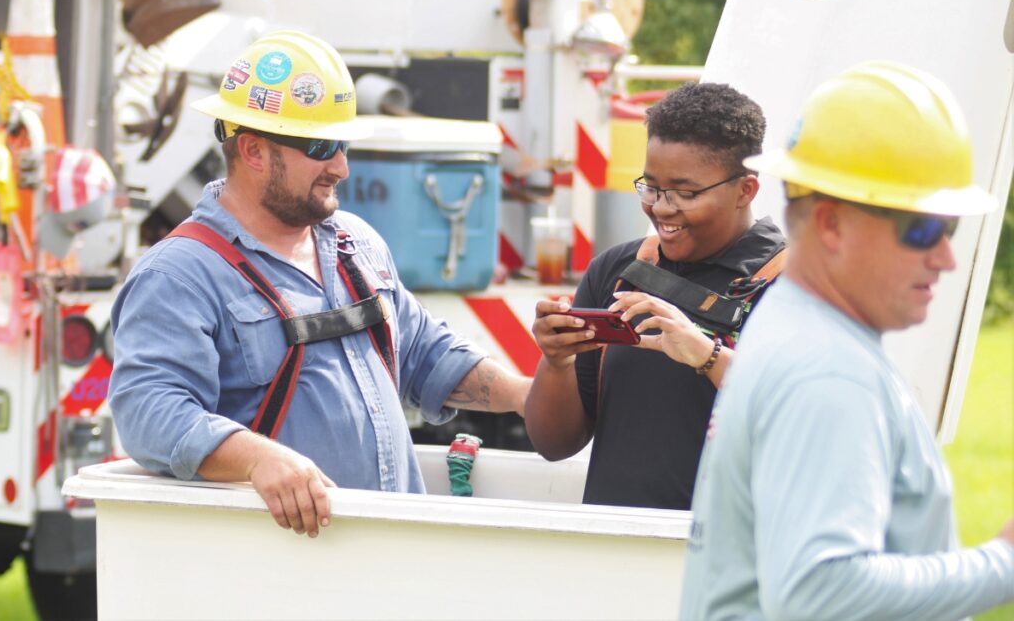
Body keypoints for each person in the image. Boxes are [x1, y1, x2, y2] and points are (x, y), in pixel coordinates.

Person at [108, 31, 530, 539]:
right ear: (254, 150)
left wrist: (528, 395)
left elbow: (424, 353)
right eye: (321, 146)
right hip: (281, 574)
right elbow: (150, 413)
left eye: (343, 144)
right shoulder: (179, 276)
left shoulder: (357, 244)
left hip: (392, 558)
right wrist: (257, 459)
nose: (341, 166)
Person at [680, 61, 1014, 620]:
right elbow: (819, 593)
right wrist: (1003, 563)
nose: (946, 256)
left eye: (949, 228)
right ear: (832, 224)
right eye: (923, 229)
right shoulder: (826, 369)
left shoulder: (794, 323)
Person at [524, 82, 786, 510]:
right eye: (651, 187)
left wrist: (706, 354)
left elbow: (804, 421)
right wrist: (557, 362)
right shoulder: (619, 272)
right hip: (614, 552)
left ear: (746, 190)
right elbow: (553, 444)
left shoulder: (789, 289)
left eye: (686, 193)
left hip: (723, 564)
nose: (662, 208)